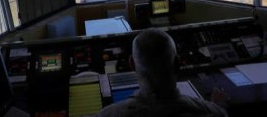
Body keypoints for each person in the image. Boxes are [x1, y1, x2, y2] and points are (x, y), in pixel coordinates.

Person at [96, 28, 228, 117]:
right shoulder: (210, 112)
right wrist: (217, 105)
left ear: (132, 64)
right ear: (177, 64)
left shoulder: (110, 114)